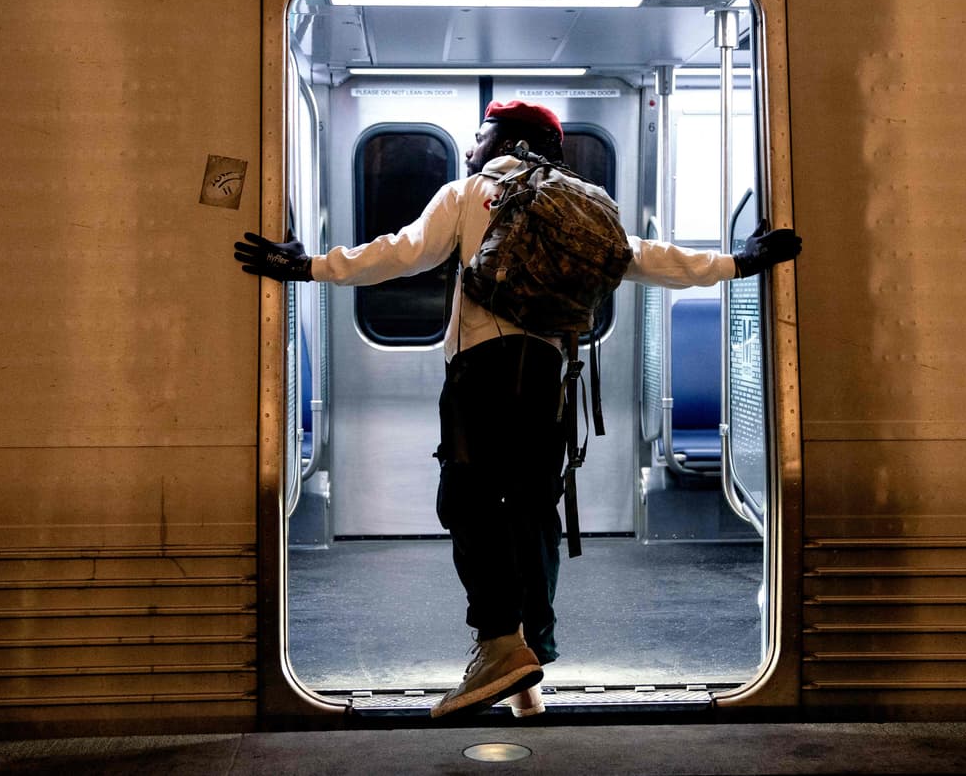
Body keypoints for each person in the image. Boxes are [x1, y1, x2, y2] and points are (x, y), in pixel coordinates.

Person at [234, 100, 801, 720]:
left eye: (480, 135)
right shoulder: (583, 203)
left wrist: (308, 266)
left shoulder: (472, 193)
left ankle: (500, 644)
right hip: (549, 383)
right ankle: (530, 672)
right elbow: (645, 256)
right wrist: (739, 262)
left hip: (484, 373)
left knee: (469, 503)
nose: (472, 145)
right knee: (532, 513)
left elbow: (401, 252)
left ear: (507, 138)